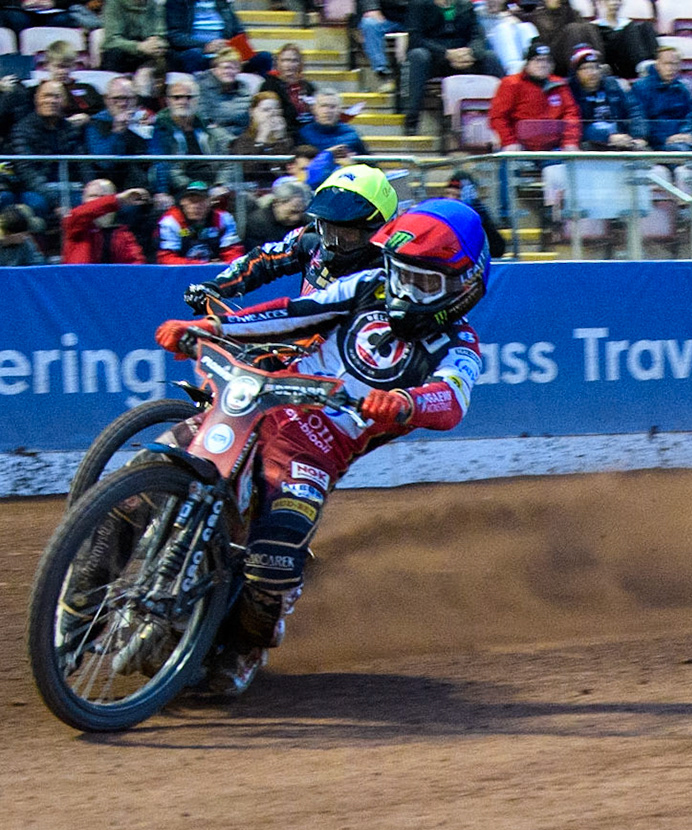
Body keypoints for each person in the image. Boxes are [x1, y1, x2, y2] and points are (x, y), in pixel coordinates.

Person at [154, 199, 489, 695]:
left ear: (464, 287)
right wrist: (215, 328)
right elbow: (296, 312)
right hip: (260, 401)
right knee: (156, 469)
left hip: (316, 447)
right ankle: (80, 593)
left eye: (424, 282)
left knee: (273, 563)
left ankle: (246, 647)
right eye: (400, 273)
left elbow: (451, 399)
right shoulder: (369, 286)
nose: (404, 289)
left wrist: (402, 402)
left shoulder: (458, 345)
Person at [189, 162, 395, 306]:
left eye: (346, 232)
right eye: (328, 228)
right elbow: (263, 259)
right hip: (306, 345)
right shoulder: (311, 239)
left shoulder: (395, 269)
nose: (333, 241)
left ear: (376, 229)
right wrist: (217, 287)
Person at [403, 0, 505, 134]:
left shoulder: (465, 5)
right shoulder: (419, 4)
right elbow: (415, 40)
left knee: (490, 57)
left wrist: (471, 53)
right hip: (435, 60)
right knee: (418, 55)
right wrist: (446, 54)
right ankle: (412, 120)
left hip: (464, 58)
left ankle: (506, 113)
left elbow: (477, 35)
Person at [8, 80, 82, 220]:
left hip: (68, 186)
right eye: (46, 96)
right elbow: (26, 171)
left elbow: (83, 163)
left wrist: (91, 188)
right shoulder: (22, 129)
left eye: (56, 96)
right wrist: (55, 201)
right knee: (37, 205)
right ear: (37, 99)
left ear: (65, 101)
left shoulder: (71, 129)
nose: (51, 101)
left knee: (90, 201)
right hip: (35, 189)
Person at [488, 40, 579, 149]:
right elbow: (498, 117)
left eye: (547, 61)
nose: (543, 65)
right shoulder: (511, 83)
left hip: (553, 148)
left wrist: (570, 142)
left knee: (562, 166)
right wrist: (509, 142)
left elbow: (571, 115)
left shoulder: (559, 84)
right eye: (538, 60)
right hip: (520, 148)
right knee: (519, 165)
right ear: (527, 63)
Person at [151, 76, 224, 193]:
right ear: (168, 101)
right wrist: (162, 192)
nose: (183, 102)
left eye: (189, 97)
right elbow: (165, 168)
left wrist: (221, 184)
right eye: (177, 97)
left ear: (198, 100)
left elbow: (228, 155)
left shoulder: (206, 127)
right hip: (182, 189)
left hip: (213, 187)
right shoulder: (161, 129)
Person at [164, 0, 272, 73]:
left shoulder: (222, 3)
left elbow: (239, 31)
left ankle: (262, 102)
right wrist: (205, 46)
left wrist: (234, 48)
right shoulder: (177, 2)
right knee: (193, 55)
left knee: (264, 57)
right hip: (197, 54)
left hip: (225, 53)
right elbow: (175, 36)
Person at [61, 178, 149, 261]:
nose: (98, 200)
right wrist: (118, 199)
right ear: (83, 199)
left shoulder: (122, 235)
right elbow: (81, 214)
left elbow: (135, 266)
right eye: (93, 196)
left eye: (103, 196)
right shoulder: (73, 222)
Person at [631, 42, 692, 146]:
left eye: (675, 64)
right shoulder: (641, 87)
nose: (671, 68)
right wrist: (665, 138)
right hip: (656, 142)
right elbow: (641, 120)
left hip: (681, 139)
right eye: (667, 63)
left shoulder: (683, 89)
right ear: (657, 65)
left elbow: (689, 117)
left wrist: (687, 134)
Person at [157, 177, 242, 262]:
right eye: (191, 201)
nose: (196, 206)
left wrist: (225, 266)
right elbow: (166, 258)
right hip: (179, 273)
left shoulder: (223, 219)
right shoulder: (171, 222)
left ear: (210, 202)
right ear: (182, 202)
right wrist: (202, 265)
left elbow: (233, 251)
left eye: (201, 201)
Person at [570, 43, 637, 149]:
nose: (592, 73)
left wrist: (639, 136)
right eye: (586, 68)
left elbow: (634, 110)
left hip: (622, 139)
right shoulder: (570, 91)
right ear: (576, 72)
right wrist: (607, 137)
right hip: (591, 143)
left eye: (595, 67)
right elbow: (575, 126)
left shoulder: (612, 84)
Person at [229, 89, 293, 186]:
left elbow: (288, 169)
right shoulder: (243, 140)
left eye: (276, 109)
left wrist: (281, 139)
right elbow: (247, 171)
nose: (272, 114)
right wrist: (261, 139)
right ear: (252, 112)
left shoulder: (286, 139)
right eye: (266, 110)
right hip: (252, 189)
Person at [238, 174, 309, 250]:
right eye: (292, 212)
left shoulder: (308, 223)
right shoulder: (257, 222)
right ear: (276, 203)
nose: (296, 217)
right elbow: (254, 253)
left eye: (299, 212)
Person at [101, 0, 170, 74]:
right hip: (124, 49)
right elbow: (112, 40)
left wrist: (158, 42)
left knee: (169, 55)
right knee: (114, 54)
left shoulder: (155, 5)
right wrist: (139, 46)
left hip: (149, 49)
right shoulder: (114, 4)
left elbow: (161, 34)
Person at [195, 46, 252, 132]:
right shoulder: (202, 88)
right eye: (225, 67)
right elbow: (205, 121)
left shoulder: (244, 89)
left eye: (234, 68)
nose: (228, 72)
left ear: (239, 70)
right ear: (215, 69)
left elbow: (247, 121)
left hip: (241, 138)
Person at [266, 42, 319, 130]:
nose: (289, 65)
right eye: (285, 60)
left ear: (300, 64)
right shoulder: (270, 86)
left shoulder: (308, 87)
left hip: (310, 131)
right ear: (278, 63)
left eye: (294, 60)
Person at [476, 0, 536, 77]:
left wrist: (512, 21)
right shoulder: (476, 13)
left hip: (506, 49)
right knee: (503, 28)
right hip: (486, 48)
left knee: (526, 27)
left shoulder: (507, 15)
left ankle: (533, 63)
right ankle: (514, 72)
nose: (492, 2)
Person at [357, 0, 411, 84]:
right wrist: (371, 8)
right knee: (369, 24)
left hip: (417, 14)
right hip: (386, 15)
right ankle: (381, 70)